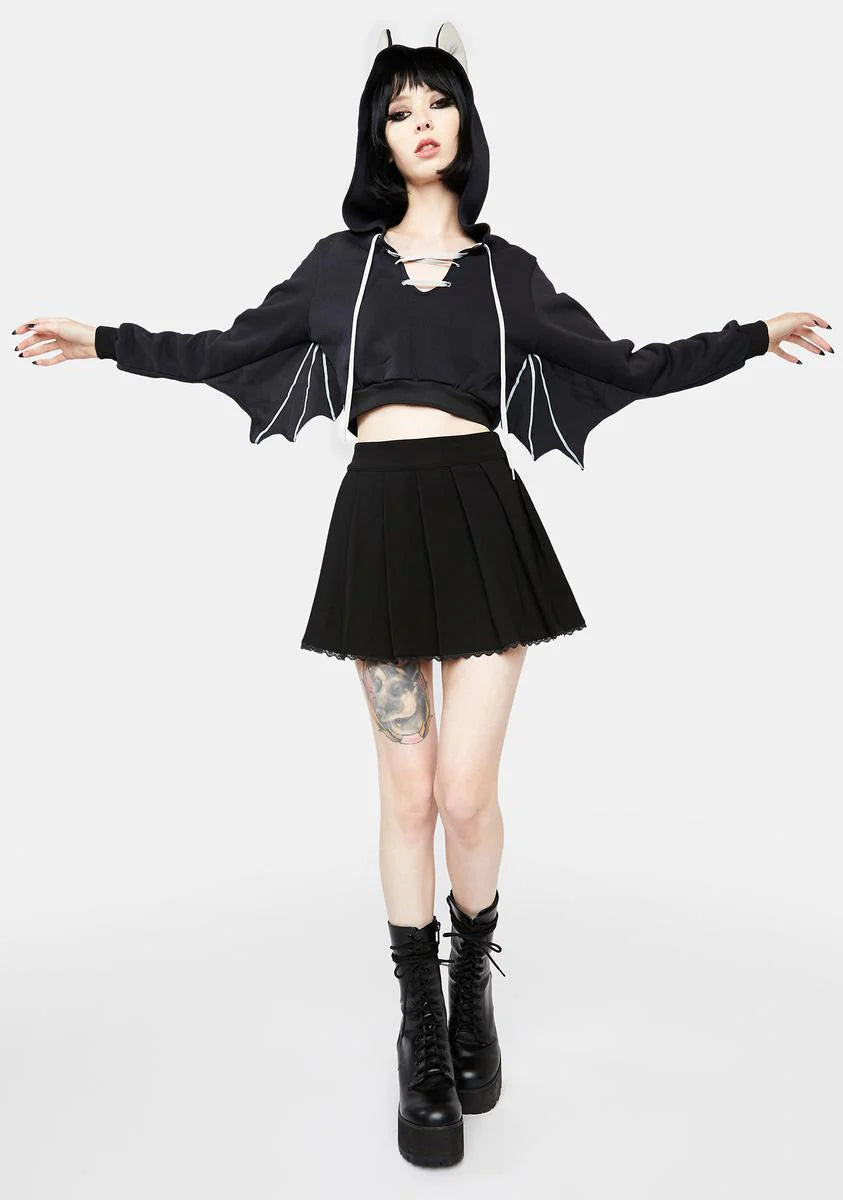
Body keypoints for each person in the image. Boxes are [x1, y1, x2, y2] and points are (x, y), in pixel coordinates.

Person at [11, 22, 831, 1171]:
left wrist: (751, 337)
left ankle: (471, 985)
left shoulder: (509, 275)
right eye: (399, 110)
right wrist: (101, 339)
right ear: (379, 138)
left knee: (465, 796)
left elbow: (628, 367)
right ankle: (422, 1032)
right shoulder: (337, 267)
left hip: (485, 523)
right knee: (407, 797)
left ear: (464, 122)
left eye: (437, 102)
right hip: (382, 527)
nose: (421, 122)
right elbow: (220, 349)